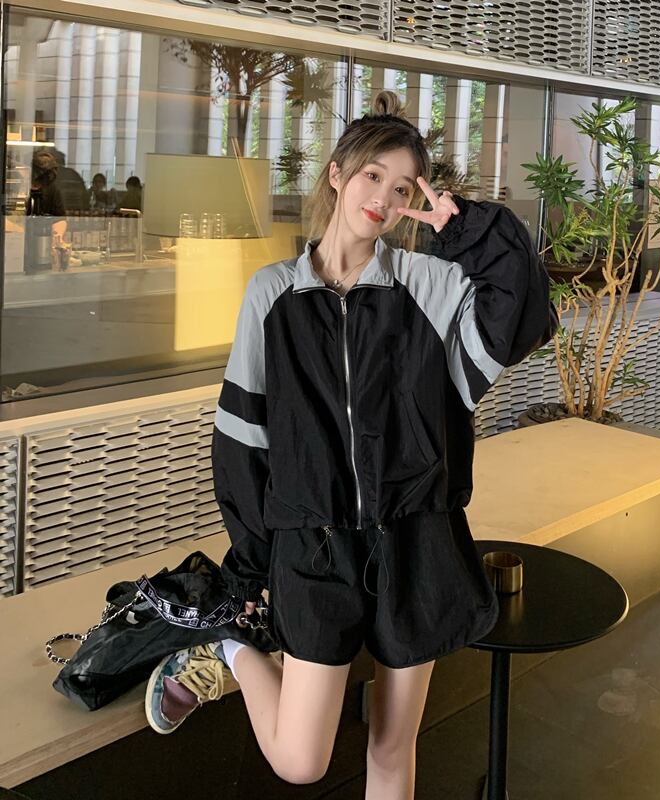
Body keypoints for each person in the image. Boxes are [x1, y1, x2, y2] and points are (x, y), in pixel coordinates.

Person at [144, 91, 557, 797]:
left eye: (403, 189)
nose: (384, 198)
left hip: (417, 541)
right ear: (337, 174)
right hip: (314, 547)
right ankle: (231, 648)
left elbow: (526, 315)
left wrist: (465, 231)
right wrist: (254, 563)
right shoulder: (272, 294)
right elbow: (242, 437)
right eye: (372, 175)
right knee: (300, 761)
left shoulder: (430, 285)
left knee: (393, 748)